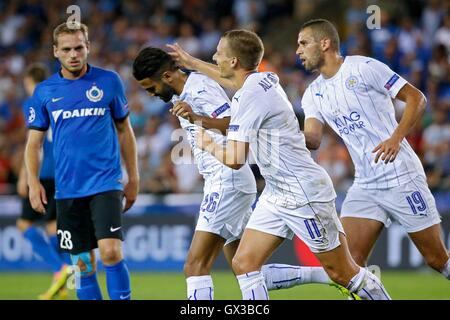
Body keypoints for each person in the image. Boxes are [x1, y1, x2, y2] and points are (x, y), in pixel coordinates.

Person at [168, 30, 391, 300]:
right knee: (244, 263)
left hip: (303, 193)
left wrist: (207, 142)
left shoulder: (248, 97)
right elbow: (227, 79)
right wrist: (191, 64)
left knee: (343, 272)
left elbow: (236, 159)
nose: (214, 58)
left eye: (219, 53)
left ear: (234, 61)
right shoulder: (263, 80)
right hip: (276, 192)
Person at [132, 47, 329, 300]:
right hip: (226, 179)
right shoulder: (180, 92)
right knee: (244, 265)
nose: (151, 94)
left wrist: (198, 118)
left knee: (195, 265)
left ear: (168, 77)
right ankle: (327, 275)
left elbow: (234, 124)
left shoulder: (200, 89)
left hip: (227, 178)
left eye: (151, 87)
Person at [297, 19, 449, 280]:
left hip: (400, 175)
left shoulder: (364, 67)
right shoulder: (312, 94)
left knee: (437, 259)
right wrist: (274, 135)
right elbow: (312, 138)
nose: (298, 51)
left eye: (303, 43)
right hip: (365, 184)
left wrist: (396, 138)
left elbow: (417, 98)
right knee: (349, 266)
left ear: (324, 43)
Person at [24, 22, 139, 300]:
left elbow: (125, 130)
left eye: (79, 47)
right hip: (67, 189)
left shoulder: (109, 81)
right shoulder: (44, 92)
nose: (73, 54)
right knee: (82, 264)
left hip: (105, 183)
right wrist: (32, 182)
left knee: (111, 252)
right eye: (66, 49)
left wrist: (133, 177)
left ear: (88, 47)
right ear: (56, 52)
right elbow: (34, 144)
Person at [16, 63, 70, 300]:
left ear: (30, 82)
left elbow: (33, 144)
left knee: (24, 224)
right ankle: (63, 286)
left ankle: (59, 268)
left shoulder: (33, 102)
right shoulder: (58, 96)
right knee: (53, 227)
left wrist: (25, 176)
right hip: (63, 172)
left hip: (44, 173)